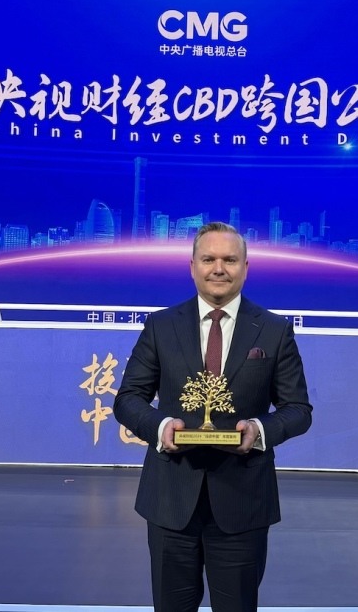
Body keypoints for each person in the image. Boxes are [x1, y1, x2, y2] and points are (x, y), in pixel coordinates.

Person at [114, 221, 313, 612]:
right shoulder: (161, 325)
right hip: (170, 500)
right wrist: (160, 427)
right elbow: (129, 399)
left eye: (229, 260)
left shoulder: (274, 330)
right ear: (192, 267)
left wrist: (258, 430)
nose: (219, 268)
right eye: (208, 259)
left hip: (242, 501)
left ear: (245, 267)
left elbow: (298, 410)